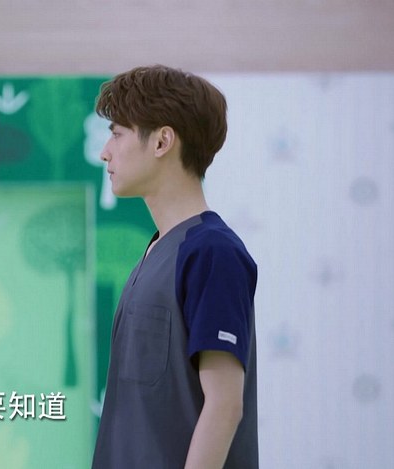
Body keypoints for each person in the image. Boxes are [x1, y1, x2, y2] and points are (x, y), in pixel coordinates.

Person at [91, 65, 258, 468]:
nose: (104, 152)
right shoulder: (155, 252)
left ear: (162, 141)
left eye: (117, 134)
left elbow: (224, 405)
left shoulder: (212, 252)